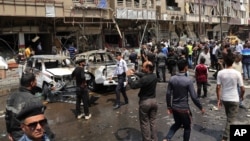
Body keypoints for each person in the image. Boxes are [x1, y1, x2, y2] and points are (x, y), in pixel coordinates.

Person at [163, 59, 205, 141]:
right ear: (186, 67)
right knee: (187, 127)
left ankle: (167, 138)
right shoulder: (188, 80)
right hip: (184, 109)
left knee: (177, 124)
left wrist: (169, 107)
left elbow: (168, 94)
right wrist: (200, 107)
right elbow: (194, 96)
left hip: (174, 107)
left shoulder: (172, 79)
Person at [5, 73, 54, 141]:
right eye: (35, 81)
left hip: (15, 135)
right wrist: (50, 136)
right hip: (28, 135)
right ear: (32, 83)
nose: (36, 83)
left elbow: (8, 117)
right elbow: (41, 121)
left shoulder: (11, 96)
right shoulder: (33, 100)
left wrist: (9, 132)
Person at [126, 61, 158, 141]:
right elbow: (143, 74)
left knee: (144, 123)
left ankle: (147, 139)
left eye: (143, 67)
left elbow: (133, 85)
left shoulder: (144, 79)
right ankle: (154, 138)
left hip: (145, 102)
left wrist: (129, 76)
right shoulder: (154, 76)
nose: (142, 68)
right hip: (154, 101)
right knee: (153, 121)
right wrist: (135, 72)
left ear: (147, 68)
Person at [216, 53, 245, 141]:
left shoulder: (220, 73)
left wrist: (218, 99)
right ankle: (225, 138)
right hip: (234, 99)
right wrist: (241, 96)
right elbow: (242, 88)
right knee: (230, 119)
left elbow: (218, 87)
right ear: (233, 62)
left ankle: (227, 134)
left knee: (229, 117)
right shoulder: (237, 73)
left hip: (225, 99)